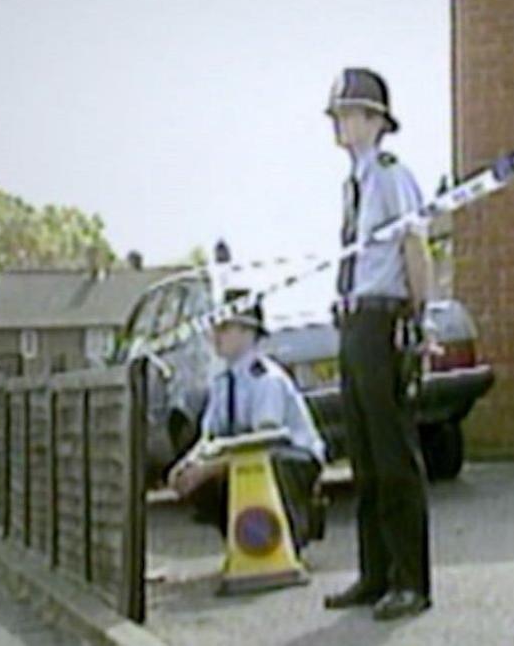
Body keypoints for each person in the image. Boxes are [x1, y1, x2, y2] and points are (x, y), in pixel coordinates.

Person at [322, 67, 438, 621]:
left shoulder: (392, 175)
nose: (341, 124)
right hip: (352, 319)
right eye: (339, 114)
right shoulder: (355, 182)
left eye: (350, 114)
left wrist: (424, 321)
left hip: (381, 319)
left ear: (375, 121)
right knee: (364, 455)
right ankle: (375, 573)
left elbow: (416, 246)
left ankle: (411, 579)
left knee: (393, 454)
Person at [168, 302, 327, 553]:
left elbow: (265, 440)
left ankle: (284, 540)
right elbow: (210, 436)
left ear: (248, 332)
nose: (215, 336)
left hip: (294, 458)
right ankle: (241, 543)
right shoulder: (222, 383)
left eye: (225, 328)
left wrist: (212, 468)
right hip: (248, 457)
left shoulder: (266, 378)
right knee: (198, 481)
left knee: (268, 466)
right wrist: (188, 464)